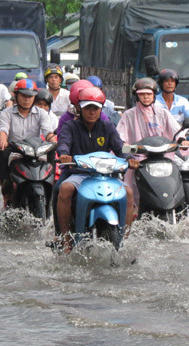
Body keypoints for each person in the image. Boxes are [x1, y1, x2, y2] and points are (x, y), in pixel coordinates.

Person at [56, 86, 138, 253]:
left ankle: (125, 240)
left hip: (105, 175)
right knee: (64, 189)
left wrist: (129, 158)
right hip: (80, 174)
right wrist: (64, 154)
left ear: (101, 108)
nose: (92, 112)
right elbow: (63, 142)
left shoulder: (107, 127)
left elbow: (120, 145)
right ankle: (65, 240)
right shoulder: (70, 126)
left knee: (128, 193)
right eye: (88, 108)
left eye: (95, 108)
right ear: (80, 108)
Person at [117, 77, 184, 207]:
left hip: (162, 157)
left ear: (154, 95)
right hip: (137, 159)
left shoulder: (162, 113)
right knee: (131, 190)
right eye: (142, 94)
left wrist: (183, 140)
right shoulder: (128, 115)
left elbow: (177, 130)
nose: (146, 97)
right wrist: (125, 146)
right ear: (136, 96)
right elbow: (120, 137)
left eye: (149, 94)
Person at [0, 79, 56, 204]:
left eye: (30, 96)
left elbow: (47, 131)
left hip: (36, 152)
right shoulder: (7, 113)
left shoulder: (41, 113)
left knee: (53, 152)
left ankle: (52, 188)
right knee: (1, 153)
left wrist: (53, 141)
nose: (27, 99)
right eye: (23, 96)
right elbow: (3, 129)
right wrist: (3, 140)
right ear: (16, 96)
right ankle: (7, 193)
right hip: (15, 151)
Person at [155, 68, 189, 133]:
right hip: (159, 136)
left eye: (172, 81)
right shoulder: (154, 101)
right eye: (167, 81)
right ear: (161, 84)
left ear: (175, 84)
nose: (170, 83)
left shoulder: (183, 101)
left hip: (181, 136)